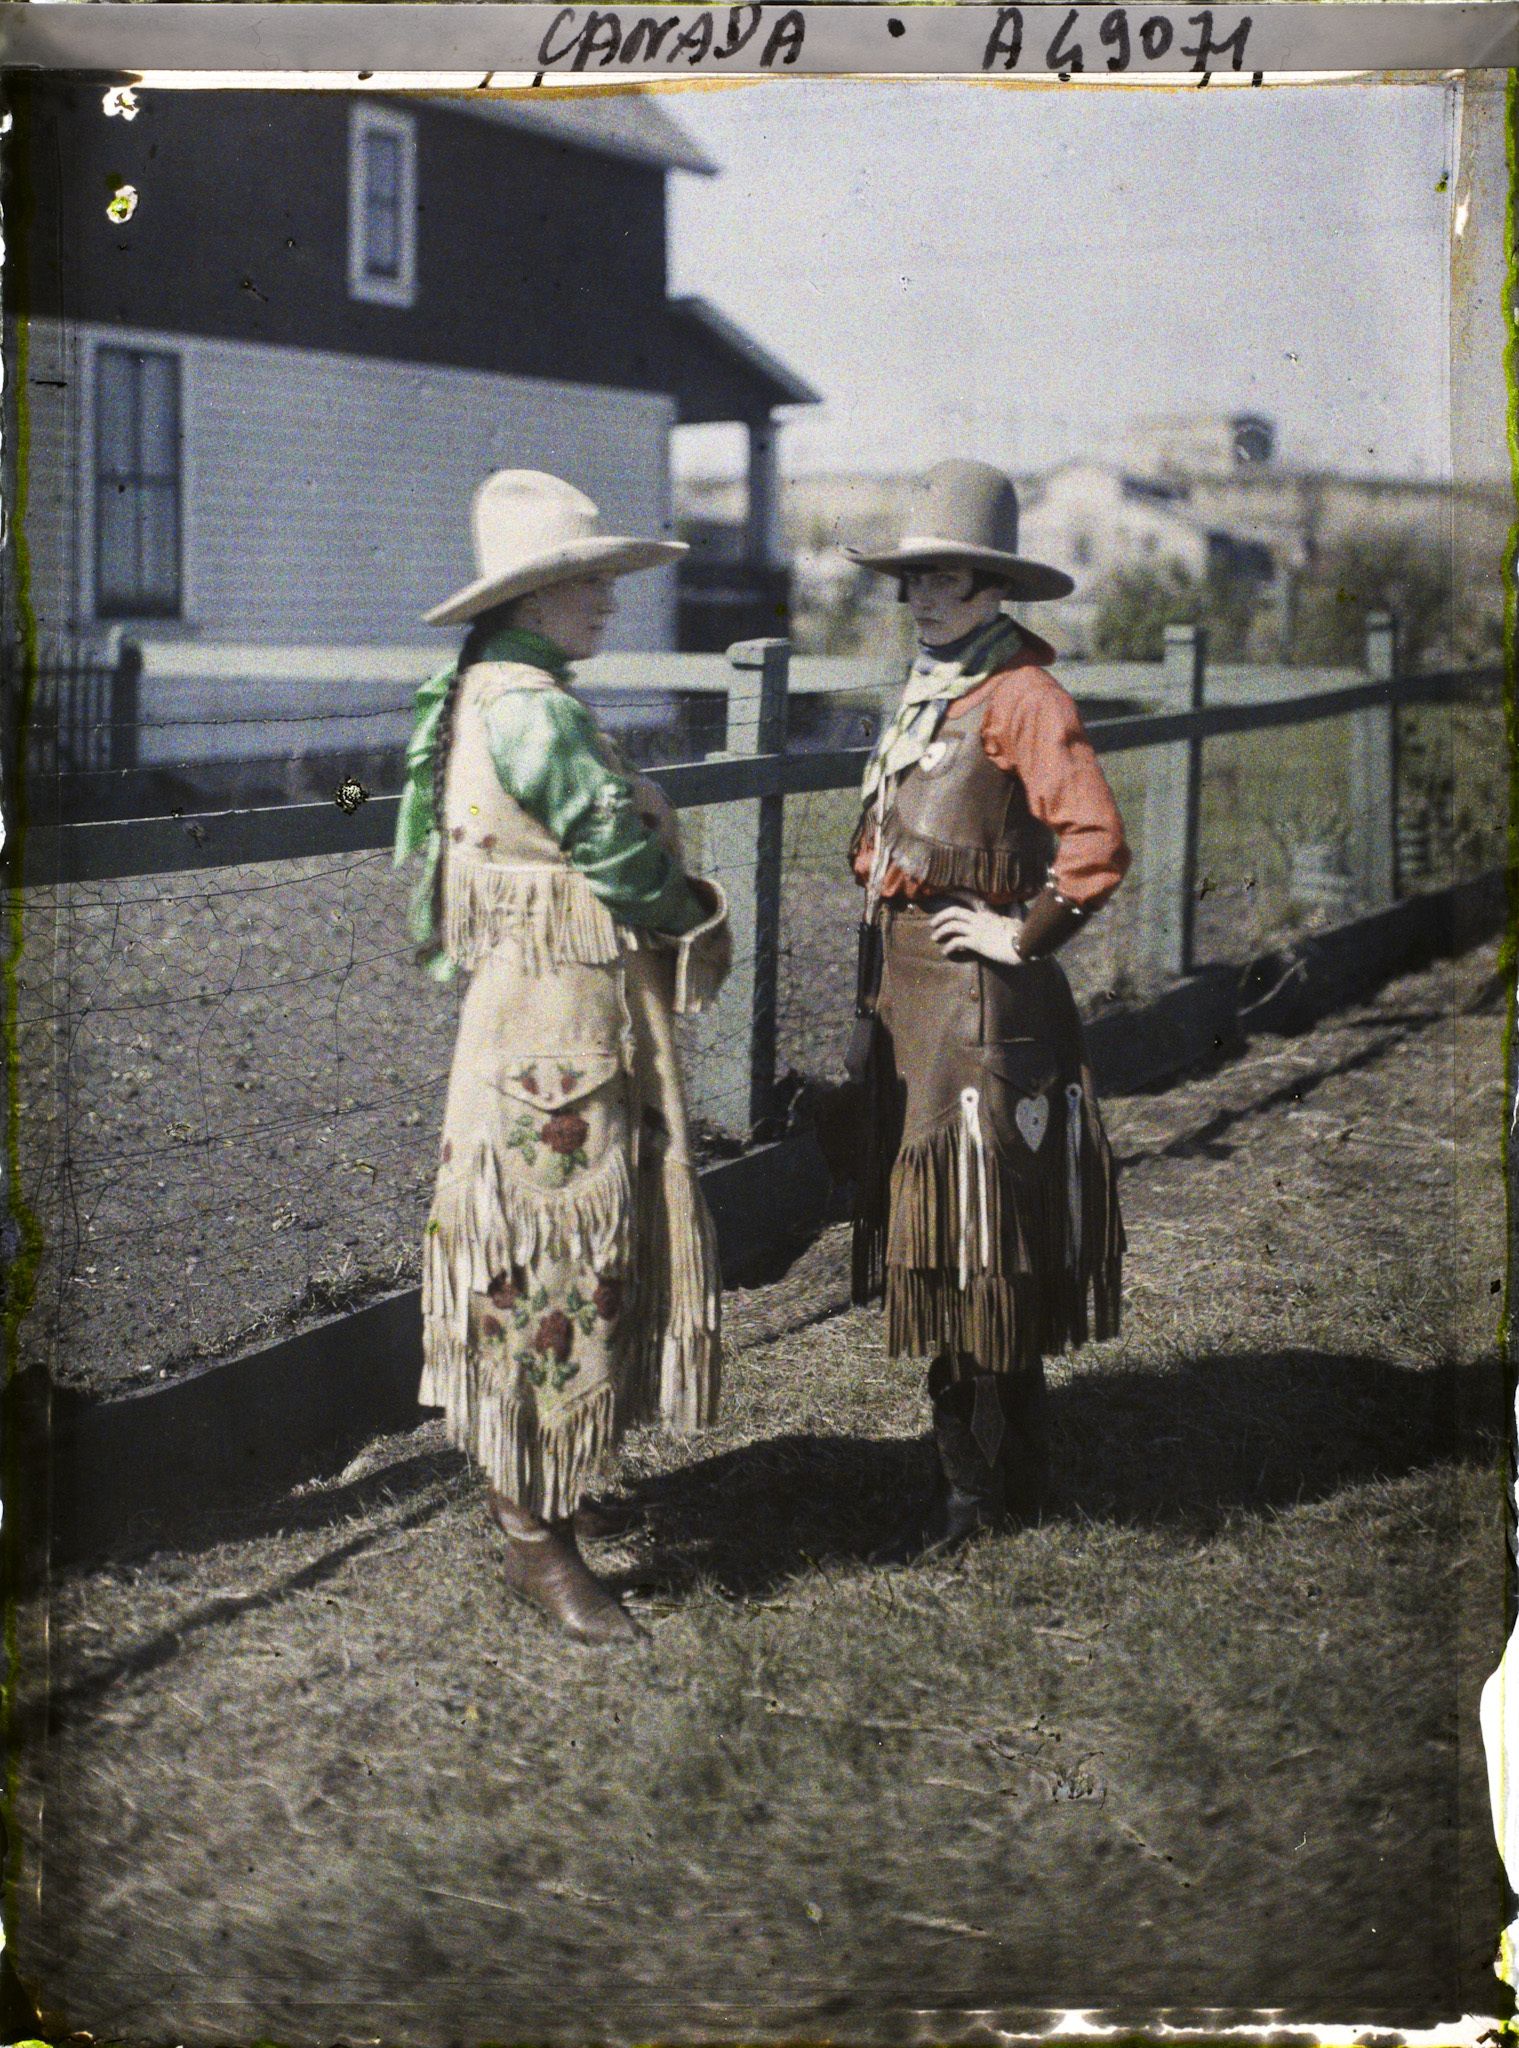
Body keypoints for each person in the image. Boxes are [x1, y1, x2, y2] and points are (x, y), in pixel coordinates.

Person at [395, 469, 730, 1644]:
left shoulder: (481, 690)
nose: (609, 603)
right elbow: (608, 844)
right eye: (592, 582)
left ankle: (537, 1504)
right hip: (558, 1030)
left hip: (522, 1018)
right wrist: (685, 901)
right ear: (538, 595)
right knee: (553, 1254)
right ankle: (535, 1536)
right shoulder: (532, 707)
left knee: (542, 1251)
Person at [842, 459, 1130, 1562]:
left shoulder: (1022, 693)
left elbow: (1095, 844)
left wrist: (1021, 931)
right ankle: (1004, 1465)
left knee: (973, 1239)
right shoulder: (936, 688)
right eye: (911, 580)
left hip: (979, 1006)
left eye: (946, 582)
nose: (922, 600)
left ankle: (977, 1490)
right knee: (957, 1236)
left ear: (994, 588)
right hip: (910, 999)